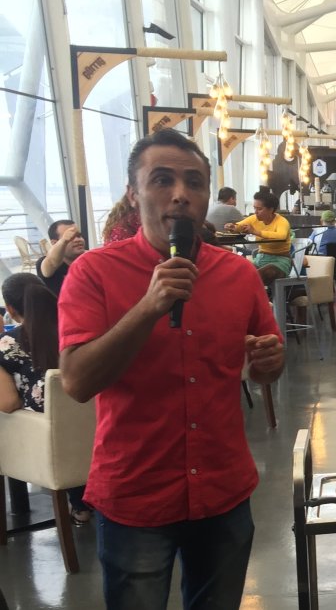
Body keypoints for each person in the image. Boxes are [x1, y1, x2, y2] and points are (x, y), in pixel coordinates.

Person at [57, 128, 284, 609]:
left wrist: (268, 362)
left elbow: (265, 368)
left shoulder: (238, 274)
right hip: (137, 493)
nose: (180, 194)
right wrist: (147, 307)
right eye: (162, 180)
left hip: (223, 491)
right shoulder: (93, 272)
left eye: (194, 182)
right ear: (133, 193)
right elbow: (76, 381)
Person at [0, 274, 91, 523]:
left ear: (9, 309)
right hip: (98, 430)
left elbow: (8, 403)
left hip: (50, 443)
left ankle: (80, 507)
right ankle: (86, 501)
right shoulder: (81, 330)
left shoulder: (6, 344)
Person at [226, 190, 293, 286]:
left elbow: (281, 236)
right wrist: (233, 227)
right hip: (260, 259)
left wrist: (256, 232)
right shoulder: (254, 218)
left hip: (280, 261)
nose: (255, 212)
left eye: (259, 209)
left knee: (263, 273)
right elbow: (240, 226)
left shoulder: (282, 221)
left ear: (271, 209)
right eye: (254, 208)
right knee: (240, 271)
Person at [37, 219, 86, 295]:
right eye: (70, 237)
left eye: (79, 236)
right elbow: (51, 263)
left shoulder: (90, 259)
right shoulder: (45, 263)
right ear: (54, 243)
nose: (77, 240)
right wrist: (64, 240)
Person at [313, 210, 336, 303]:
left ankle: (319, 296)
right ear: (334, 221)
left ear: (322, 221)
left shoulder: (318, 231)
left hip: (323, 268)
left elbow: (309, 242)